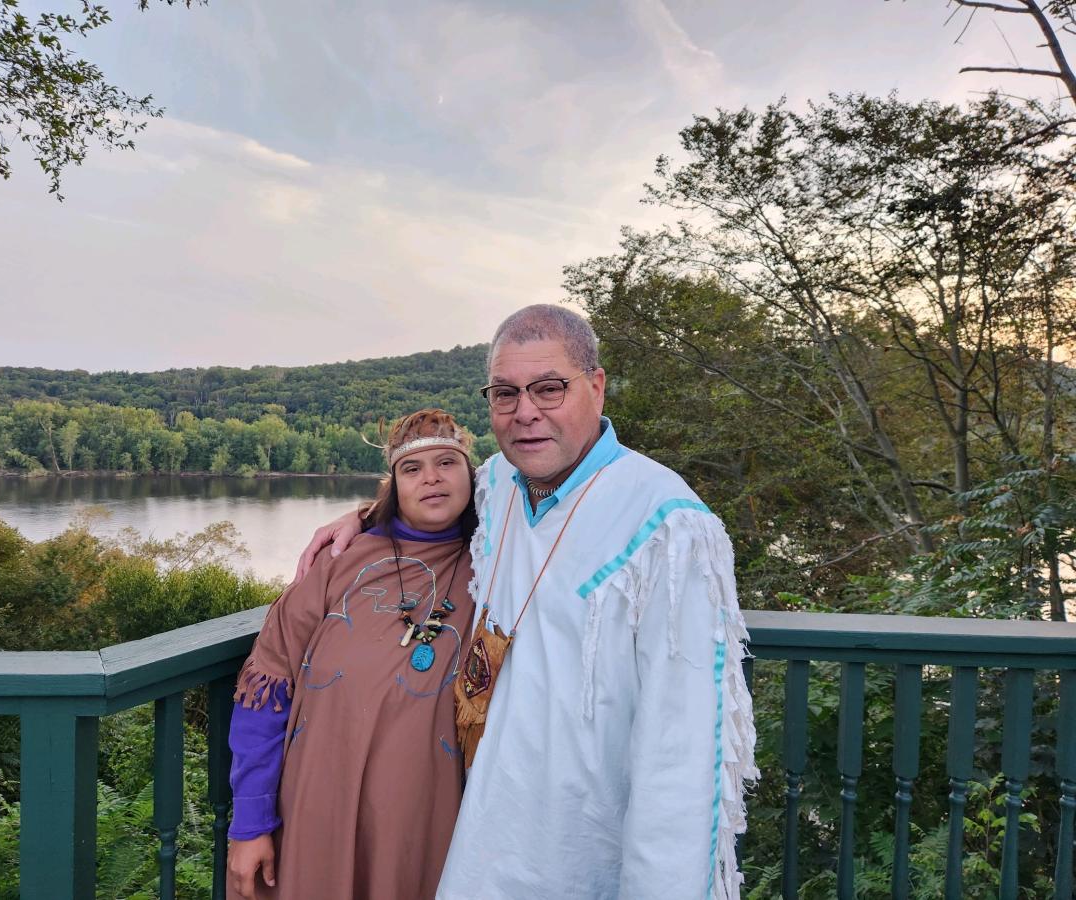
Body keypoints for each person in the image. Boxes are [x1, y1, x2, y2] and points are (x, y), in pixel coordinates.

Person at [297, 305, 758, 900]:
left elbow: (684, 752)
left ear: (596, 386)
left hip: (592, 848)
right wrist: (362, 517)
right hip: (486, 830)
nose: (526, 413)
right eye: (505, 394)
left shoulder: (667, 528)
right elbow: (427, 496)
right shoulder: (497, 487)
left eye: (548, 388)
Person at [226, 409, 479, 900]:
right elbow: (266, 687)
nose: (431, 478)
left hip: (430, 823)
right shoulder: (339, 563)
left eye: (447, 463)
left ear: (471, 475)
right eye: (412, 469)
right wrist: (251, 823)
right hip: (318, 807)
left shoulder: (495, 561)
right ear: (394, 485)